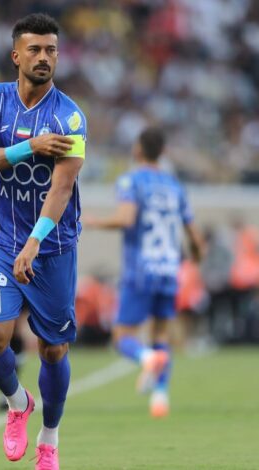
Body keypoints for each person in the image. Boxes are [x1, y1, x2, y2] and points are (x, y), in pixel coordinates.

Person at [0, 13, 86, 470]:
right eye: (35, 49)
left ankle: (49, 439)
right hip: (1, 240)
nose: (44, 57)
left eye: (51, 50)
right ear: (16, 55)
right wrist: (30, 147)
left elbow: (61, 189)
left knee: (52, 349)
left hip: (51, 248)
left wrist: (35, 242)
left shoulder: (71, 117)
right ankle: (18, 403)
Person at [84, 127, 203, 419]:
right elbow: (193, 236)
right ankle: (160, 397)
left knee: (121, 337)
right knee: (160, 332)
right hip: (169, 269)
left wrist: (95, 222)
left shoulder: (131, 180)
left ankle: (147, 358)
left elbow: (126, 219)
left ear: (137, 149)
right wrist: (196, 256)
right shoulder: (175, 186)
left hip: (140, 269)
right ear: (162, 152)